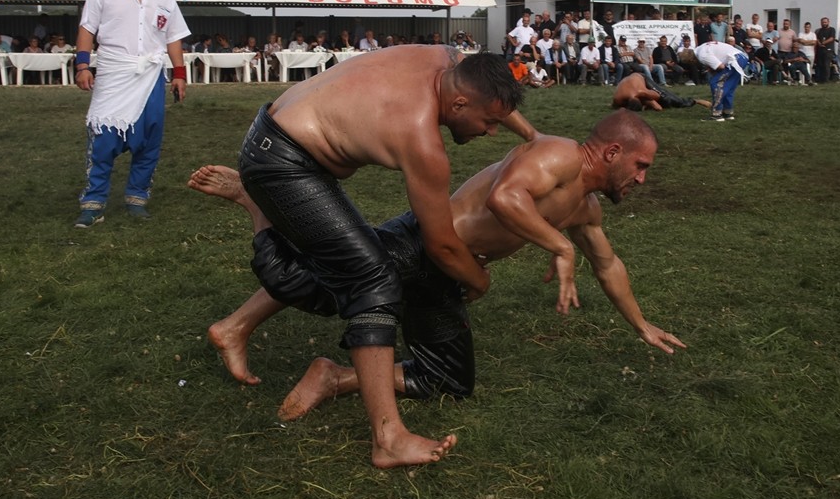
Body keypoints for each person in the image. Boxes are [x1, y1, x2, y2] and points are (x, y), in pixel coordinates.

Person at [194, 112, 683, 443]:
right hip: (424, 245)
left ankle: (333, 376)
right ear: (614, 151)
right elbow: (506, 197)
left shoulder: (586, 206)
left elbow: (607, 264)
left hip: (445, 275)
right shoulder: (558, 155)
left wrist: (642, 325)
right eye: (641, 166)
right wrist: (557, 248)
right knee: (316, 288)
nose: (642, 179)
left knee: (449, 379)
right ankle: (258, 205)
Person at [229, 45, 532, 467]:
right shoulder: (420, 137)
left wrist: (533, 139)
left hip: (276, 135)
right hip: (282, 165)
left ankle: (232, 328)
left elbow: (489, 89)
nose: (494, 132)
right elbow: (441, 243)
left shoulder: (444, 57)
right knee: (373, 280)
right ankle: (387, 437)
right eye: (489, 122)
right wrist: (479, 281)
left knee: (355, 260)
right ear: (459, 103)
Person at [73, 0, 190, 227]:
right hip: (114, 73)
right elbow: (87, 30)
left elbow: (173, 37)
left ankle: (137, 197)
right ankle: (93, 203)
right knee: (104, 138)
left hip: (151, 76)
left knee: (149, 136)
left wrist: (179, 74)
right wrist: (83, 65)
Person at [696, 39, 749, 122]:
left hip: (734, 60)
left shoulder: (702, 55)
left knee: (716, 83)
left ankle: (717, 114)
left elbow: (721, 67)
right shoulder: (702, 47)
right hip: (742, 57)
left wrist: (712, 69)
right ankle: (728, 113)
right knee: (728, 87)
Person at [611, 72, 710, 112]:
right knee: (656, 103)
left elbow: (657, 97)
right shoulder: (618, 99)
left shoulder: (640, 91)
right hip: (632, 81)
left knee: (666, 98)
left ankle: (695, 101)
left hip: (642, 78)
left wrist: (649, 101)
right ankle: (647, 104)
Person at [814, 17, 835, 83]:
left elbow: (832, 38)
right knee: (820, 65)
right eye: (823, 22)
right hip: (820, 50)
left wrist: (824, 42)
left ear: (828, 22)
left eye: (825, 22)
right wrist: (819, 43)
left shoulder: (832, 29)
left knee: (826, 65)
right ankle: (820, 79)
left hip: (828, 50)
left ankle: (826, 79)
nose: (824, 23)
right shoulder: (819, 30)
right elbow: (816, 38)